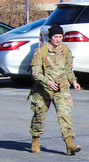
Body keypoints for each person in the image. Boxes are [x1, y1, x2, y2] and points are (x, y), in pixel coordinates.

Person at [28, 24, 82, 155]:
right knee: (39, 116)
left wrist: (73, 81)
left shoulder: (65, 50)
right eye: (55, 37)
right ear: (50, 37)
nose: (58, 39)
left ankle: (70, 145)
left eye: (60, 36)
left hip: (61, 88)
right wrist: (48, 81)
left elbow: (68, 69)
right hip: (43, 89)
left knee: (65, 115)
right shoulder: (41, 51)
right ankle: (35, 139)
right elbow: (35, 72)